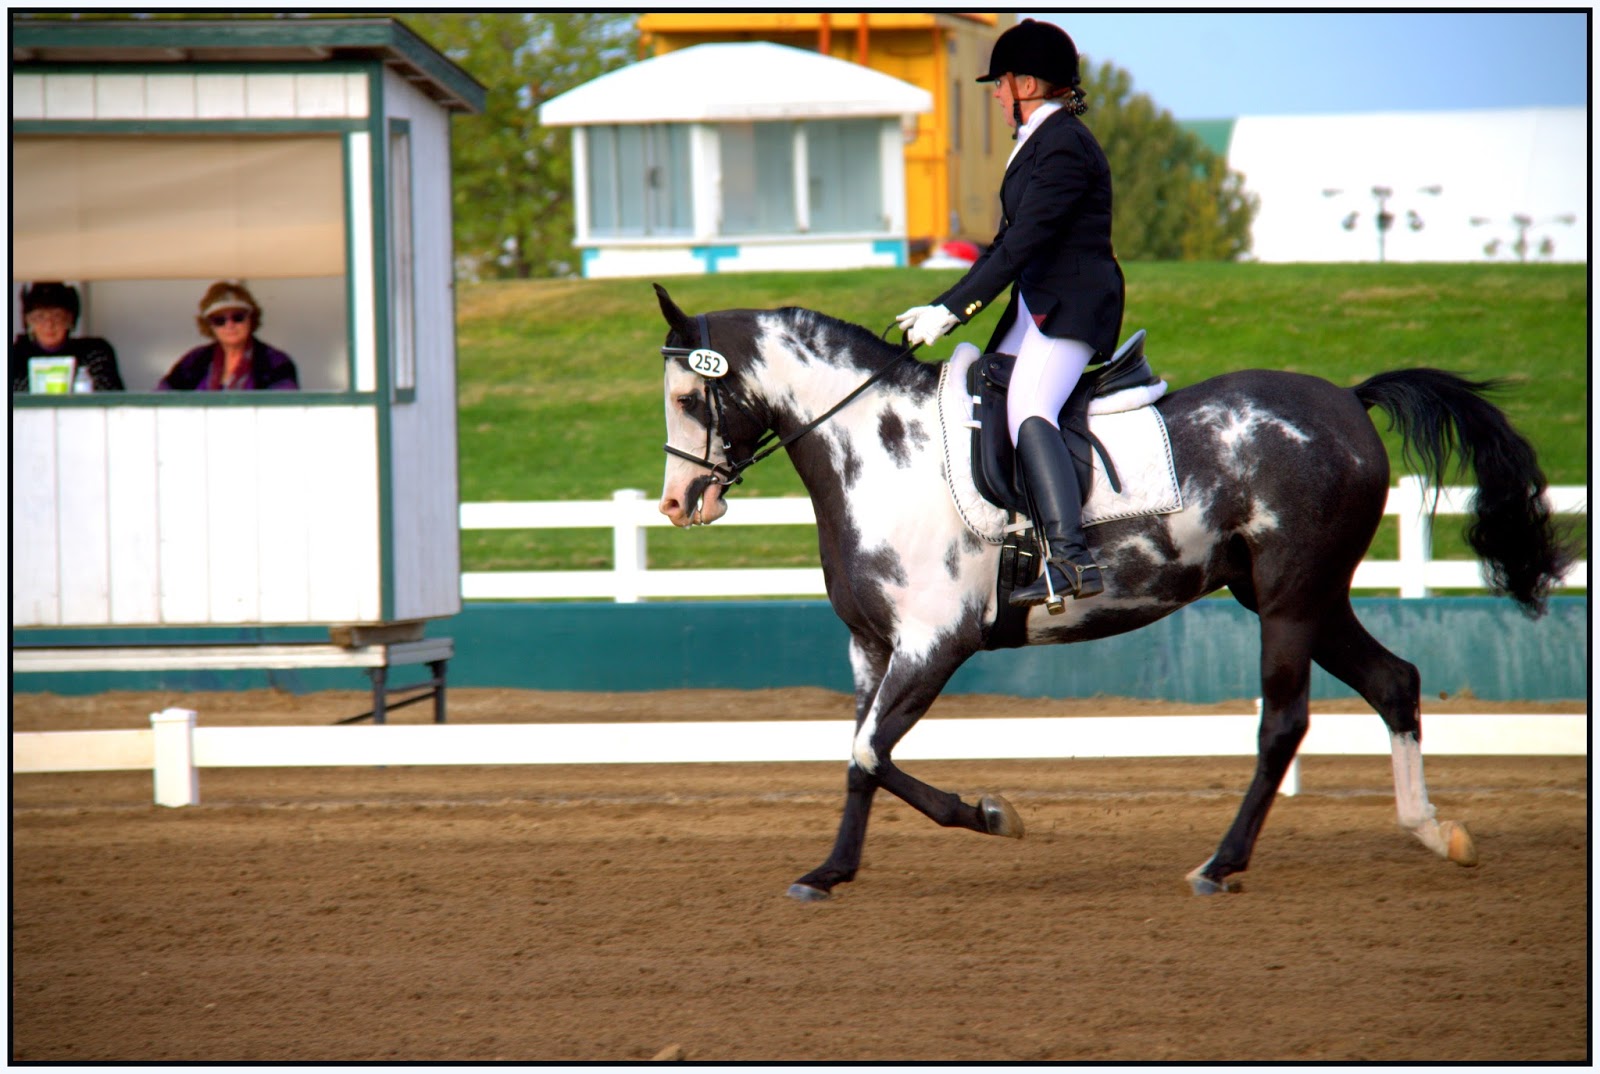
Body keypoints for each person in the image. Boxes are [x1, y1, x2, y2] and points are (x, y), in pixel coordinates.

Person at [896, 18, 1124, 608]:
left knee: (1028, 406)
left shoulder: (1065, 146)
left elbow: (1024, 244)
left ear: (1025, 85)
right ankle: (1014, 546)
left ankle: (1071, 558)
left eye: (1000, 85)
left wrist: (952, 312)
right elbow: (1003, 246)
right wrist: (943, 305)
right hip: (1035, 307)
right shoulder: (1038, 145)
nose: (996, 96)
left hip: (1070, 308)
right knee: (984, 398)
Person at [158, 281, 299, 391]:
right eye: (219, 320)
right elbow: (162, 400)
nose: (229, 325)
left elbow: (284, 410)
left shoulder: (275, 362)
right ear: (209, 325)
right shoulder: (194, 361)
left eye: (238, 317)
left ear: (251, 318)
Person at [11, 282, 125, 392]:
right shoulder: (15, 358)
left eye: (57, 316)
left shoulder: (94, 354)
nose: (49, 324)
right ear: (28, 322)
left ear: (70, 320)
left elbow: (109, 398)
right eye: (39, 317)